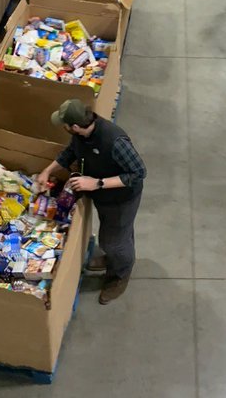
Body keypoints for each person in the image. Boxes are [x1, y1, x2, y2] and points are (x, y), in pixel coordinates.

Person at [35, 99, 147, 305]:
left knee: (113, 242)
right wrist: (47, 171)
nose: (64, 127)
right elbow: (69, 153)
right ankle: (114, 259)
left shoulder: (114, 141)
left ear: (75, 126)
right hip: (103, 196)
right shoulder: (82, 135)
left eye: (65, 124)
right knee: (117, 234)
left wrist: (97, 183)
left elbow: (138, 173)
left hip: (121, 199)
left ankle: (120, 275)